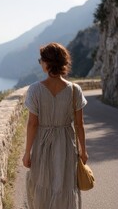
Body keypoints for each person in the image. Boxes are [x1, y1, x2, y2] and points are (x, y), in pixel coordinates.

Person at [22, 42, 88, 209]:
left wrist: (27, 152)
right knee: (64, 184)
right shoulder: (75, 90)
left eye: (41, 60)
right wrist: (83, 151)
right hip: (66, 143)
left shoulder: (35, 90)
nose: (40, 63)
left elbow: (32, 123)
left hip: (42, 144)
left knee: (42, 183)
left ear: (47, 63)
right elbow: (79, 125)